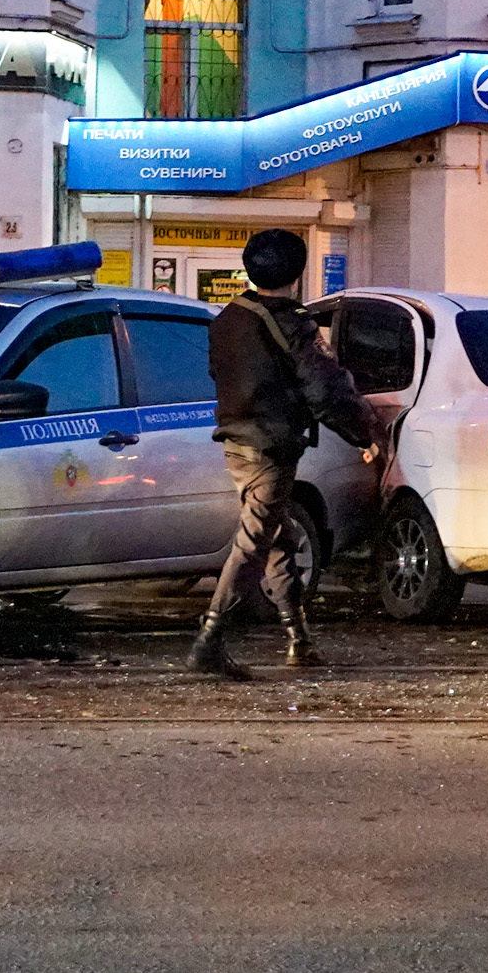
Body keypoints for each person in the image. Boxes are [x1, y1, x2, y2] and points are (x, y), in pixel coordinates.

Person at [190, 229, 381, 679]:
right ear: (297, 274)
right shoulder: (292, 322)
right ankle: (210, 639)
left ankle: (299, 640)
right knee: (255, 541)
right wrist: (364, 434)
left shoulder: (227, 319)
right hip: (271, 446)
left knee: (279, 536)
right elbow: (325, 387)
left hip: (237, 443)